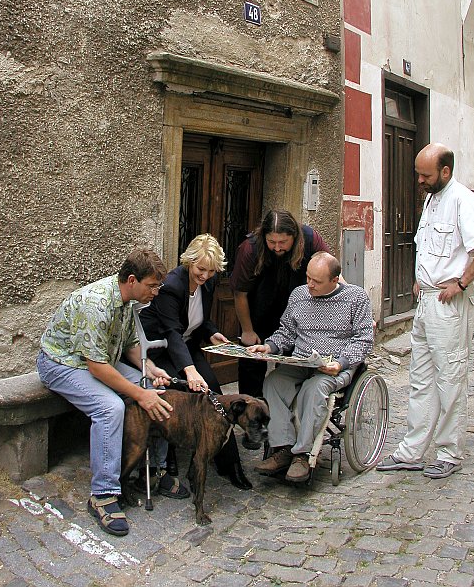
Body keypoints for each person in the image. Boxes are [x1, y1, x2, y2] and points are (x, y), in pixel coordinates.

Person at [37, 247, 187, 538]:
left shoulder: (128, 301)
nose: (156, 292)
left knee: (157, 388)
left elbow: (130, 345)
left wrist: (150, 371)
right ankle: (102, 495)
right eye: (152, 286)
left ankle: (154, 470)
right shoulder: (97, 304)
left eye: (158, 286)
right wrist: (138, 393)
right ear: (132, 280)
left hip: (98, 359)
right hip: (62, 363)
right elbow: (96, 367)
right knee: (110, 407)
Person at [377, 143, 474, 479]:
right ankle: (412, 451)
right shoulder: (432, 199)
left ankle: (449, 452)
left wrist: (461, 283)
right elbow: (431, 246)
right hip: (427, 301)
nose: (419, 180)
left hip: (449, 304)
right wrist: (420, 280)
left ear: (445, 171)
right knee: (420, 378)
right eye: (418, 173)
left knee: (450, 379)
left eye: (425, 174)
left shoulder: (462, 199)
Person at [140, 233, 253, 490]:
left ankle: (229, 464)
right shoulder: (172, 286)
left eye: (211, 271)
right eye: (201, 269)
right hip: (162, 348)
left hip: (186, 344)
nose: (204, 276)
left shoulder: (209, 284)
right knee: (180, 389)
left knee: (214, 392)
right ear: (189, 262)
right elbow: (171, 331)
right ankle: (169, 461)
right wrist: (190, 371)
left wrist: (212, 332)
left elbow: (198, 319)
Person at [249, 252, 374, 483]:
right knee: (273, 382)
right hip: (301, 361)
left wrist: (341, 363)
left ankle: (302, 455)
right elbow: (286, 332)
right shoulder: (299, 295)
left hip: (333, 365)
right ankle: (283, 448)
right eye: (308, 278)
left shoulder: (356, 298)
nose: (310, 285)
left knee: (313, 389)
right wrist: (269, 346)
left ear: (335, 280)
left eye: (316, 281)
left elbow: (364, 339)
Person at [230, 209, 331, 412]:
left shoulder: (310, 240)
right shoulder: (250, 249)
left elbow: (330, 271)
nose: (277, 247)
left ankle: (289, 416)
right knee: (251, 365)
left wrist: (350, 298)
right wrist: (248, 330)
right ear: (264, 236)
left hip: (299, 316)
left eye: (283, 242)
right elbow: (240, 294)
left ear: (294, 236)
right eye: (272, 242)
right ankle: (252, 419)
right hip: (259, 312)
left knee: (293, 367)